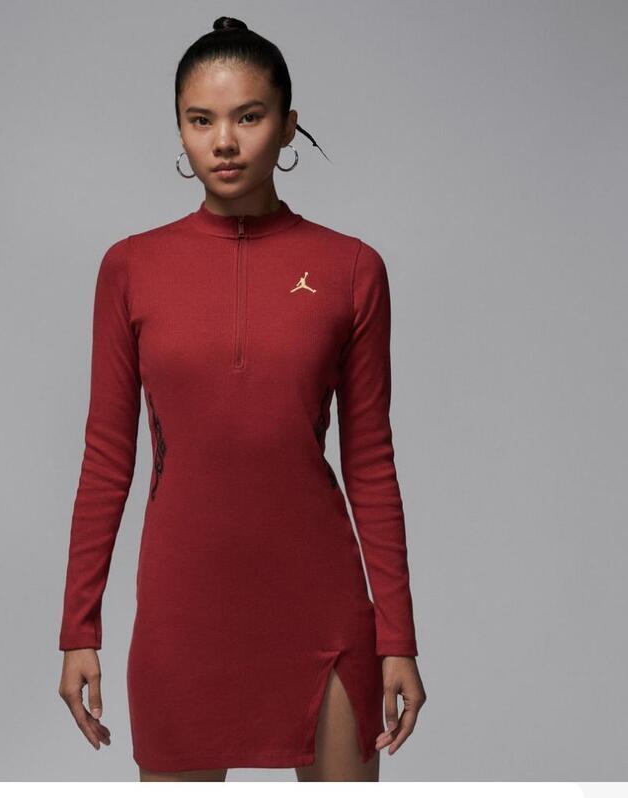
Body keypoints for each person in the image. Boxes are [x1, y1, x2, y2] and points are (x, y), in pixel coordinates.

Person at [57, 16, 427, 783]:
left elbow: (370, 463)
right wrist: (78, 627)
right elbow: (106, 460)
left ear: (287, 125)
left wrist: (398, 638)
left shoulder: (351, 269)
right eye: (201, 120)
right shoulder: (130, 268)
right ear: (180, 131)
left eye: (248, 117)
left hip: (321, 605)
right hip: (182, 607)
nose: (224, 142)